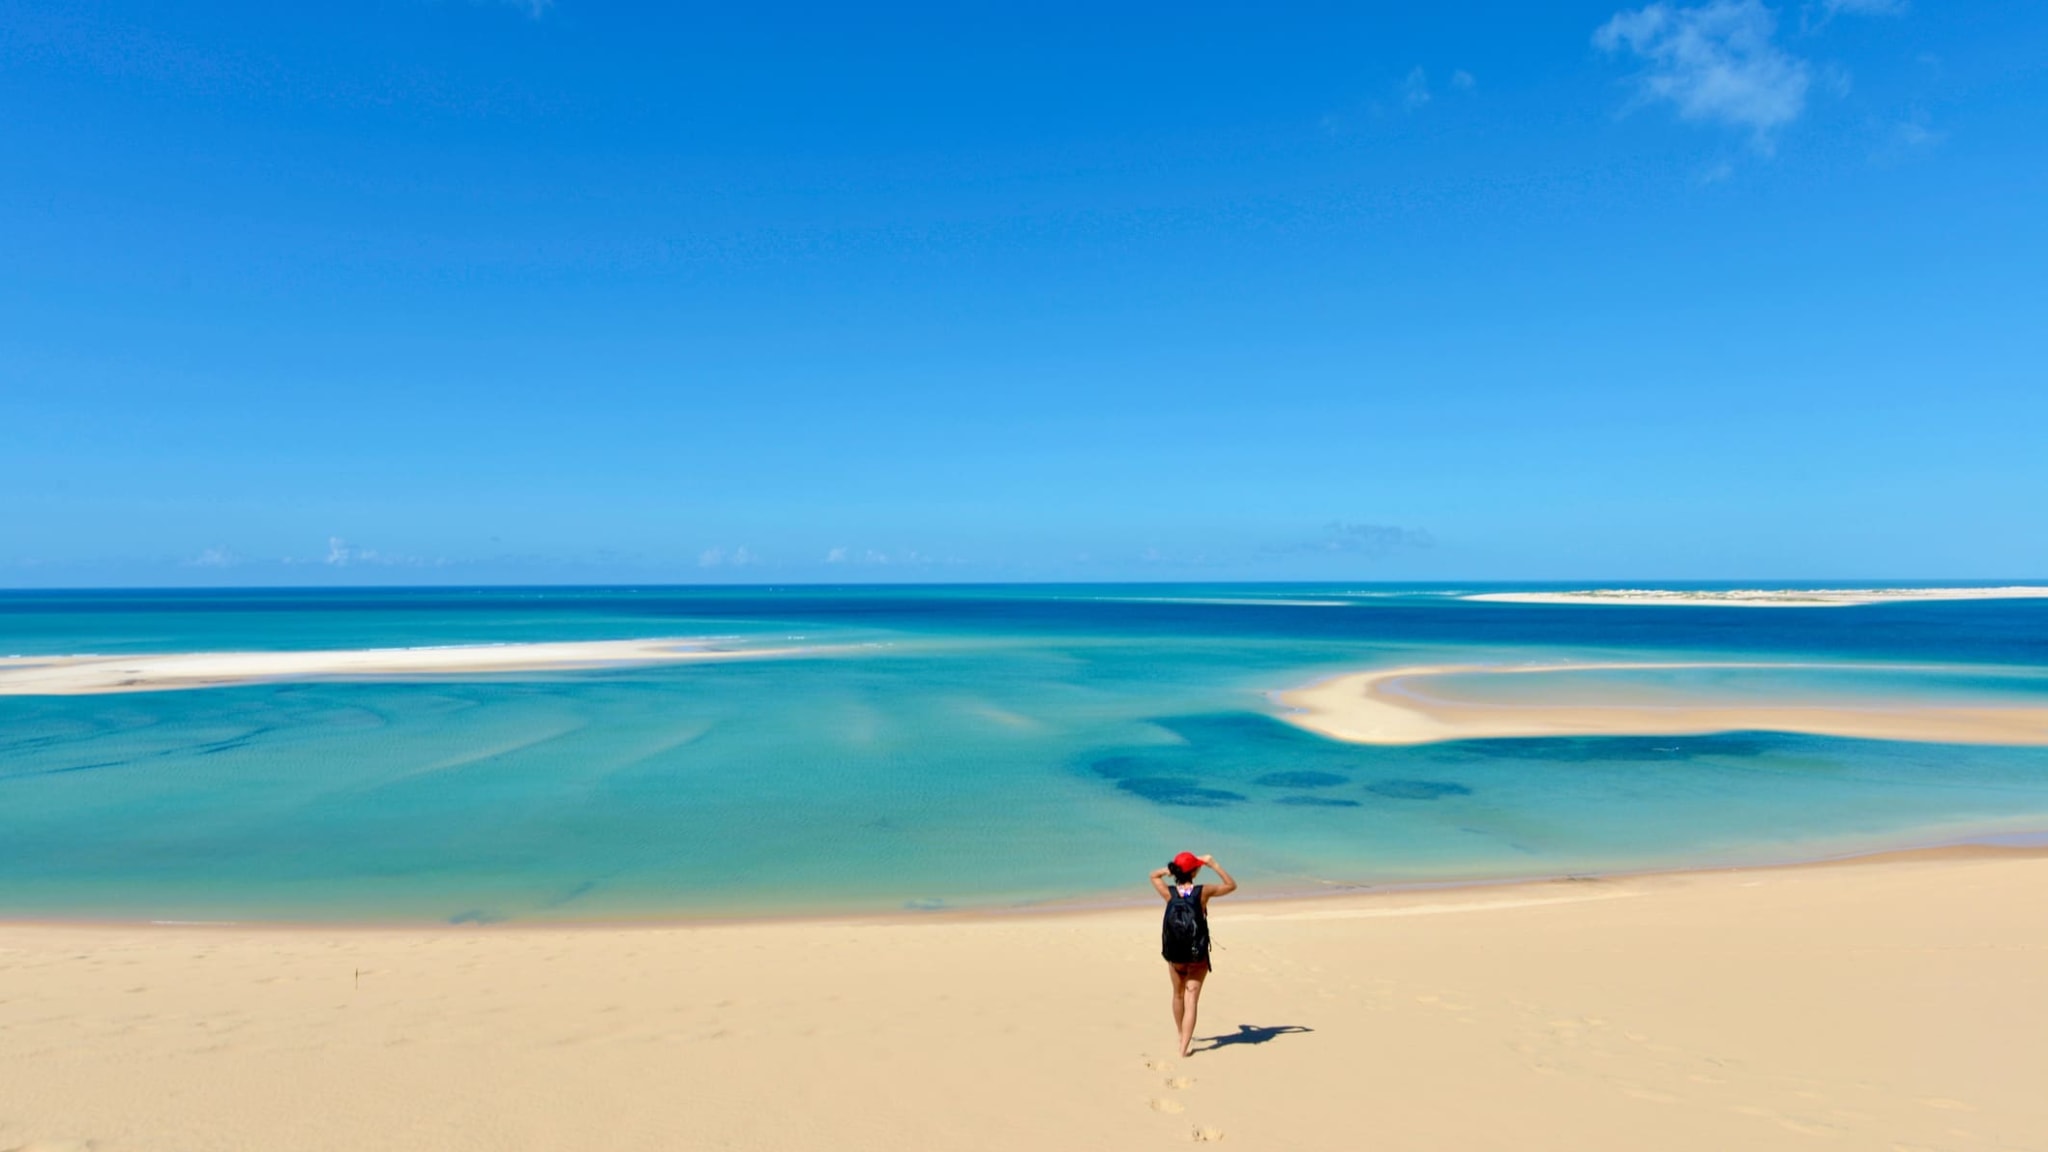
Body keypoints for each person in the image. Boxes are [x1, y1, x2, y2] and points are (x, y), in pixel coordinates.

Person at [1150, 851, 1237, 1057]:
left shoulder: (1169, 893)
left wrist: (1170, 870)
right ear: (1196, 871)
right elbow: (1231, 885)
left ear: (1177, 872)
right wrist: (1213, 864)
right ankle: (1183, 1048)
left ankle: (1181, 1034)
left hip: (1175, 955)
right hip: (1197, 956)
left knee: (1178, 995)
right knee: (1191, 1000)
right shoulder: (1202, 892)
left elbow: (1153, 875)